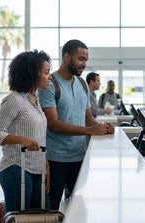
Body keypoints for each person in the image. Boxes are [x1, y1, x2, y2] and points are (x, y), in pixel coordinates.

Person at [38, 39, 115, 210]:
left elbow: (88, 118)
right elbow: (53, 124)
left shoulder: (82, 84)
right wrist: (89, 130)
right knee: (51, 211)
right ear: (67, 57)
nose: (84, 64)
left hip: (80, 158)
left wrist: (103, 127)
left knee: (80, 209)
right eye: (81, 59)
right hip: (56, 160)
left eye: (86, 60)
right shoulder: (50, 84)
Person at [0, 50, 52, 211]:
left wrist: (45, 165)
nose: (50, 76)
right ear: (32, 74)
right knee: (20, 219)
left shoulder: (35, 99)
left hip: (37, 169)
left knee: (43, 216)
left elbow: (39, 136)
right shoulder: (14, 99)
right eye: (46, 72)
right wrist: (22, 140)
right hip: (17, 168)